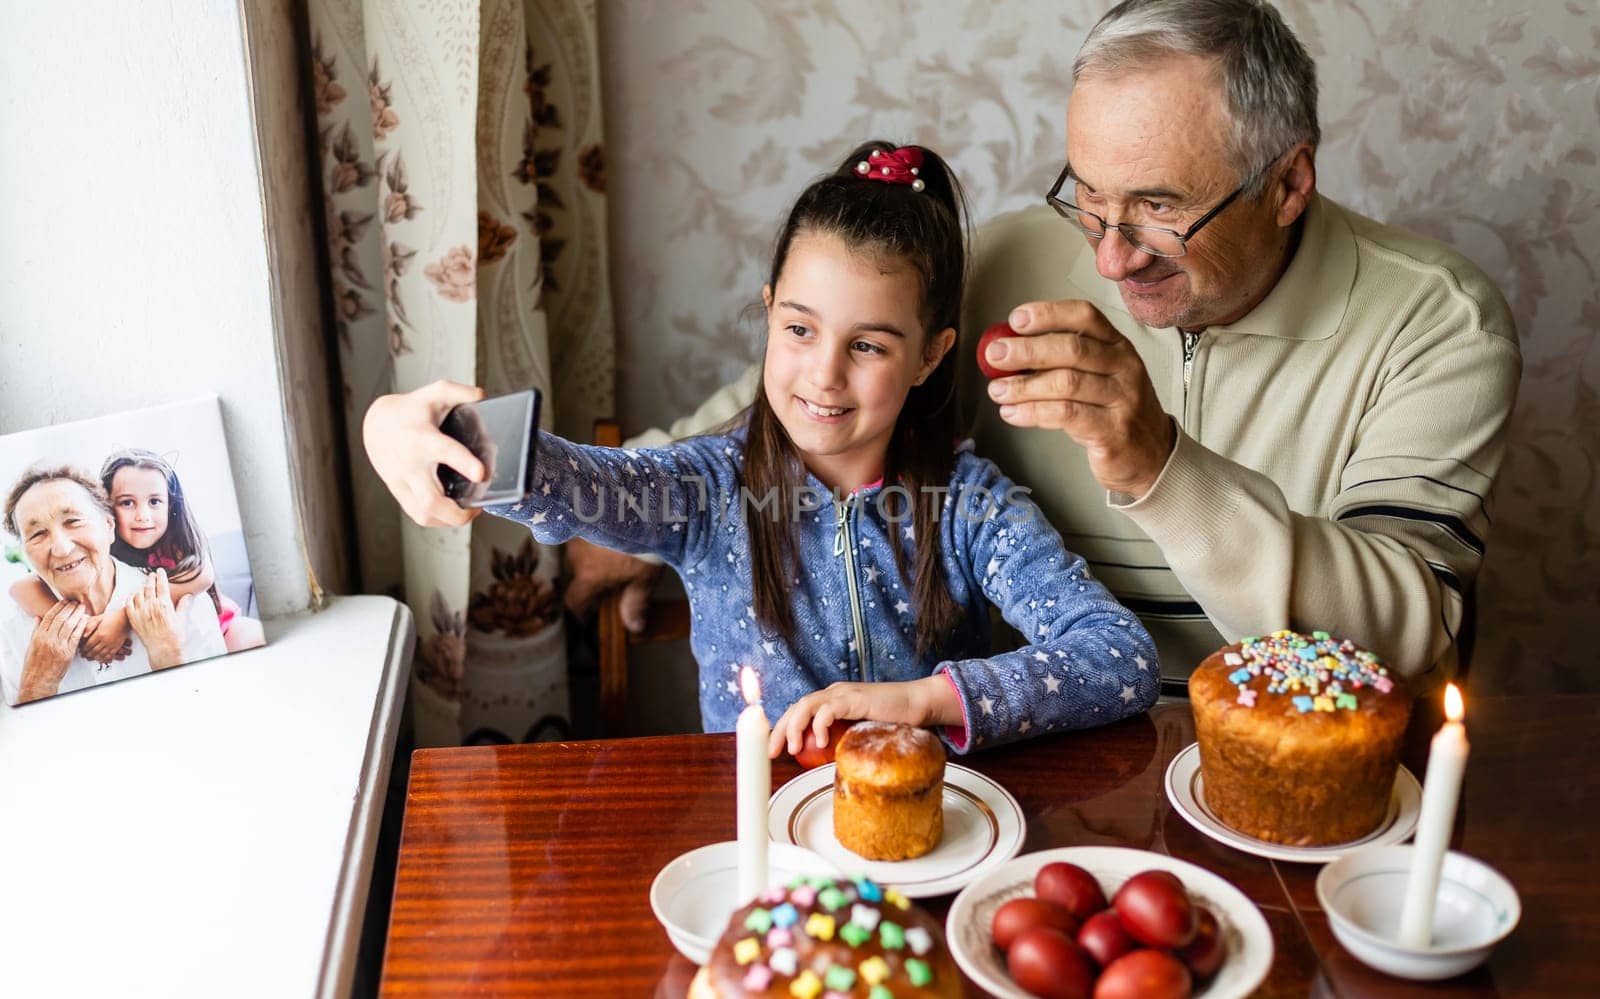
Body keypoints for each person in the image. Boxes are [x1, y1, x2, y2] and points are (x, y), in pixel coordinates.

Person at [571, 0, 1521, 686]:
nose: (1107, 257)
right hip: (1030, 766)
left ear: (1288, 183)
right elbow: (824, 374)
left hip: (1281, 769)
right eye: (1089, 197)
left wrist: (1162, 465)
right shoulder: (1023, 255)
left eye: (1158, 207)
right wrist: (636, 510)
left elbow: (1400, 638)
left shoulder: (1436, 326)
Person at [364, 140, 1159, 753]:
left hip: (933, 839)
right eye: (800, 329)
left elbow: (1121, 659)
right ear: (769, 311)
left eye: (870, 346)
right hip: (759, 843)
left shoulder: (974, 505)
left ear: (930, 355)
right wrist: (399, 428)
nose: (824, 375)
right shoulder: (706, 488)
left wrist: (927, 700)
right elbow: (563, 476)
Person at [0, 467, 228, 705]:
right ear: (25, 552)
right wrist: (38, 684)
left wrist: (169, 657)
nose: (62, 548)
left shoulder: (183, 605)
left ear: (109, 527)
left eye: (73, 521)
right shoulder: (12, 634)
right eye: (37, 534)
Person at [9, 449, 265, 658]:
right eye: (127, 503)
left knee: (250, 635)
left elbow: (202, 575)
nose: (143, 516)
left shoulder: (175, 549)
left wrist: (121, 620)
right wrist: (82, 627)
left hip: (224, 625)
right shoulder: (102, 553)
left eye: (154, 502)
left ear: (170, 506)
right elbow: (19, 588)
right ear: (106, 511)